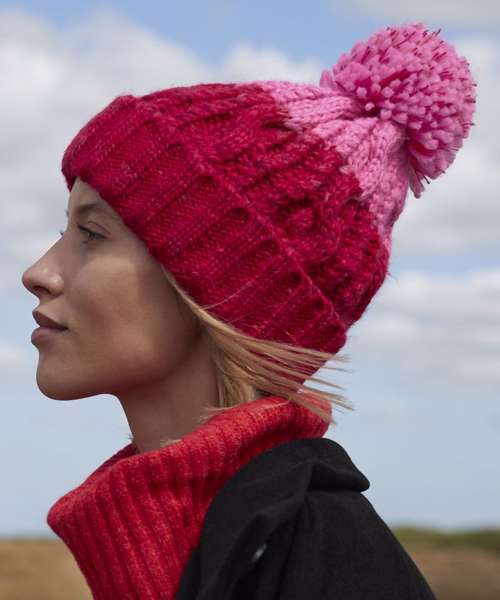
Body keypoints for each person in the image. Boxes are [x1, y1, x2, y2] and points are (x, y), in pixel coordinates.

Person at [22, 21, 476, 599]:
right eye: (64, 231)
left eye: (91, 233)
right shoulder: (210, 547)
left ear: (221, 286)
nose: (38, 273)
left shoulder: (325, 563)